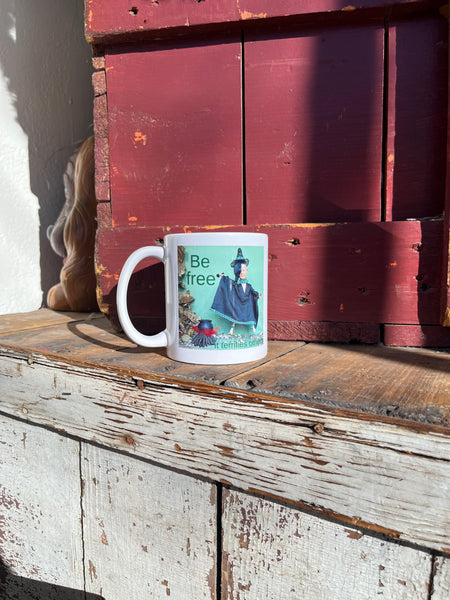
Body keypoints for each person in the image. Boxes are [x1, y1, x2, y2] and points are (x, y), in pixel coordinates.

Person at [210, 248, 261, 335]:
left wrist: (257, 295)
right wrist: (223, 277)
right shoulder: (236, 286)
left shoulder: (249, 286)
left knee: (250, 313)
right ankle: (231, 330)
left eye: (244, 270)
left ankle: (253, 329)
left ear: (247, 271)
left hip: (247, 304)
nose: (243, 273)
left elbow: (253, 292)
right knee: (235, 314)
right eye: (240, 272)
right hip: (239, 304)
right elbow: (229, 283)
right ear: (238, 273)